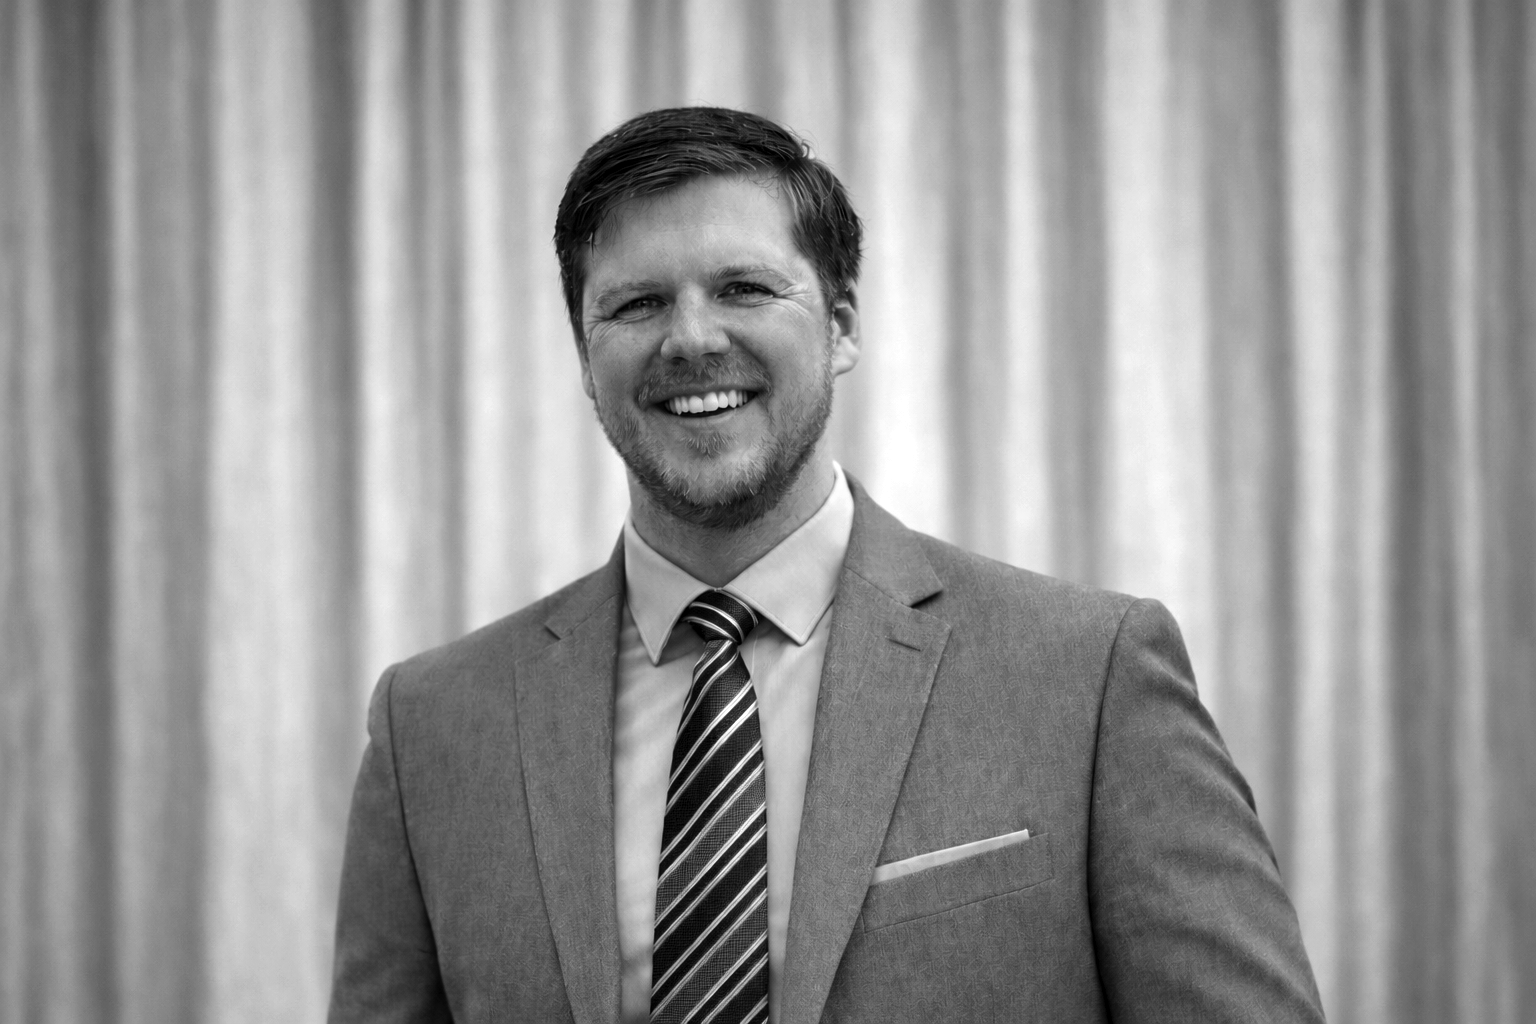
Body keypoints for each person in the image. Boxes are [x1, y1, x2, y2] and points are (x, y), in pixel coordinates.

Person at [328, 106, 1325, 1024]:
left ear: (842, 323)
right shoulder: (431, 730)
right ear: (585, 356)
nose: (691, 338)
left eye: (744, 288)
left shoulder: (1089, 678)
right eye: (636, 304)